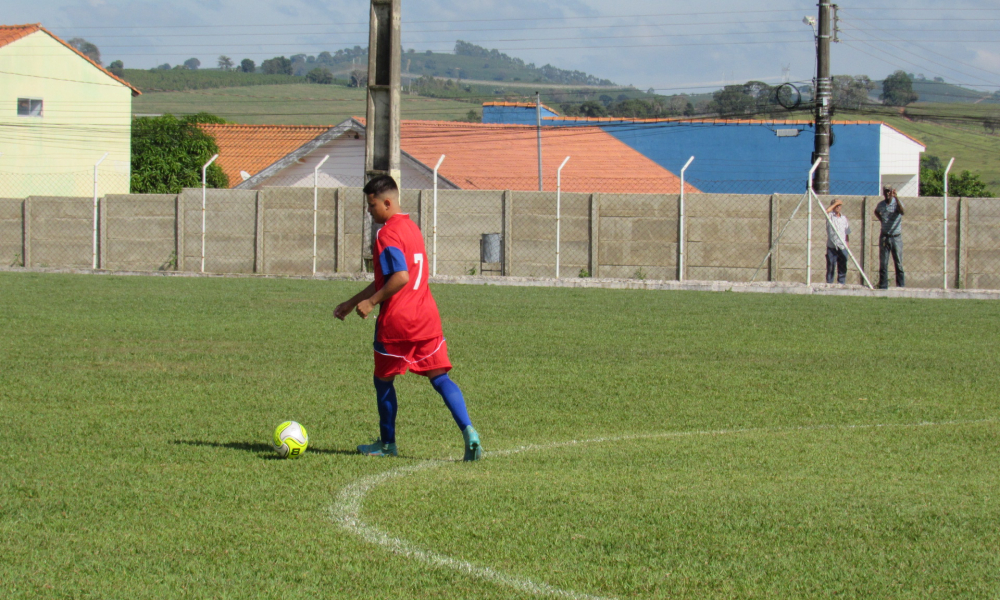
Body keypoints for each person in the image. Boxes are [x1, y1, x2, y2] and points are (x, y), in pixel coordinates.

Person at [334, 175, 482, 461]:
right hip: (426, 319)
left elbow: (399, 277)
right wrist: (353, 302)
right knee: (440, 378)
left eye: (372, 204)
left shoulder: (386, 233)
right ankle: (469, 431)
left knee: (383, 381)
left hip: (397, 324)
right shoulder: (412, 228)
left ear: (387, 202)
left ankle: (387, 444)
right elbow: (387, 277)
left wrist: (371, 302)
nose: (369, 211)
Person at [874, 185, 905, 289]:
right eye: (885, 191)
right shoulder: (881, 205)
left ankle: (900, 286)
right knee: (883, 263)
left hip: (896, 237)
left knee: (898, 263)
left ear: (892, 192)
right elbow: (876, 211)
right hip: (884, 236)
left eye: (889, 191)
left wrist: (896, 198)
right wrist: (881, 219)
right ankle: (883, 286)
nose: (887, 193)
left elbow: (902, 211)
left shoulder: (897, 203)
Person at [825, 199, 851, 284]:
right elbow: (826, 211)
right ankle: (829, 283)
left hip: (842, 246)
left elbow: (847, 232)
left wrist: (847, 244)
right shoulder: (830, 216)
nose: (837, 207)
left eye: (839, 205)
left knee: (843, 267)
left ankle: (841, 284)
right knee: (831, 266)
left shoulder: (844, 218)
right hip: (832, 246)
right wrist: (836, 203)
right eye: (835, 205)